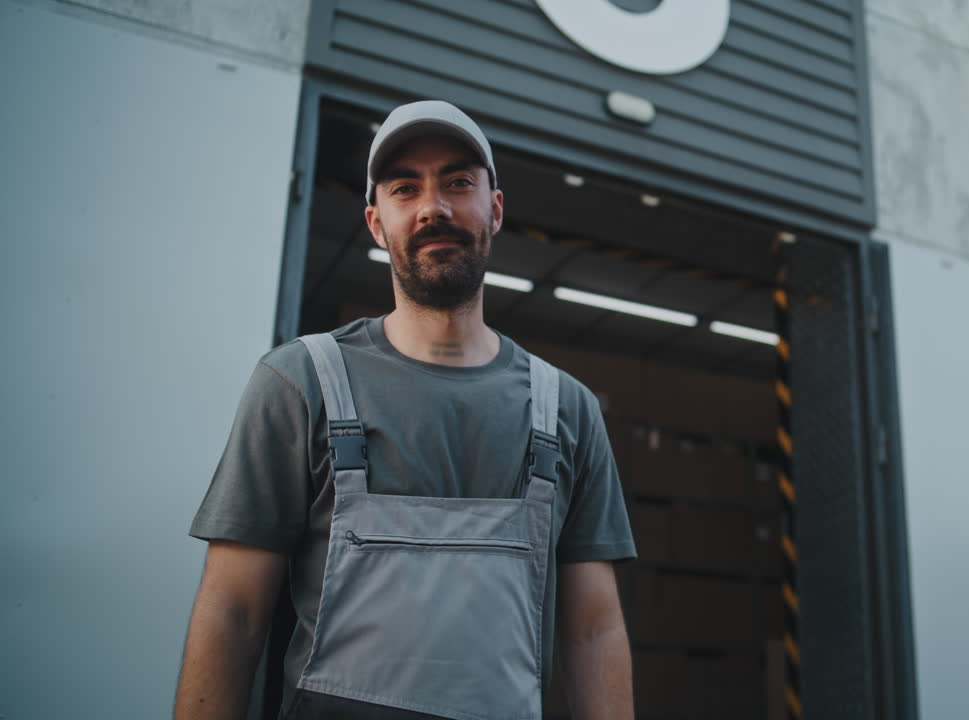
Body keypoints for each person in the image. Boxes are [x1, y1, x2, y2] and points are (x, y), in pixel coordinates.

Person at [175, 100, 637, 720]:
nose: (433, 208)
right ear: (375, 221)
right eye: (404, 188)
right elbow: (231, 613)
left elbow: (594, 631)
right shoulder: (299, 383)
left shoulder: (568, 411)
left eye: (458, 182)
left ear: (495, 209)